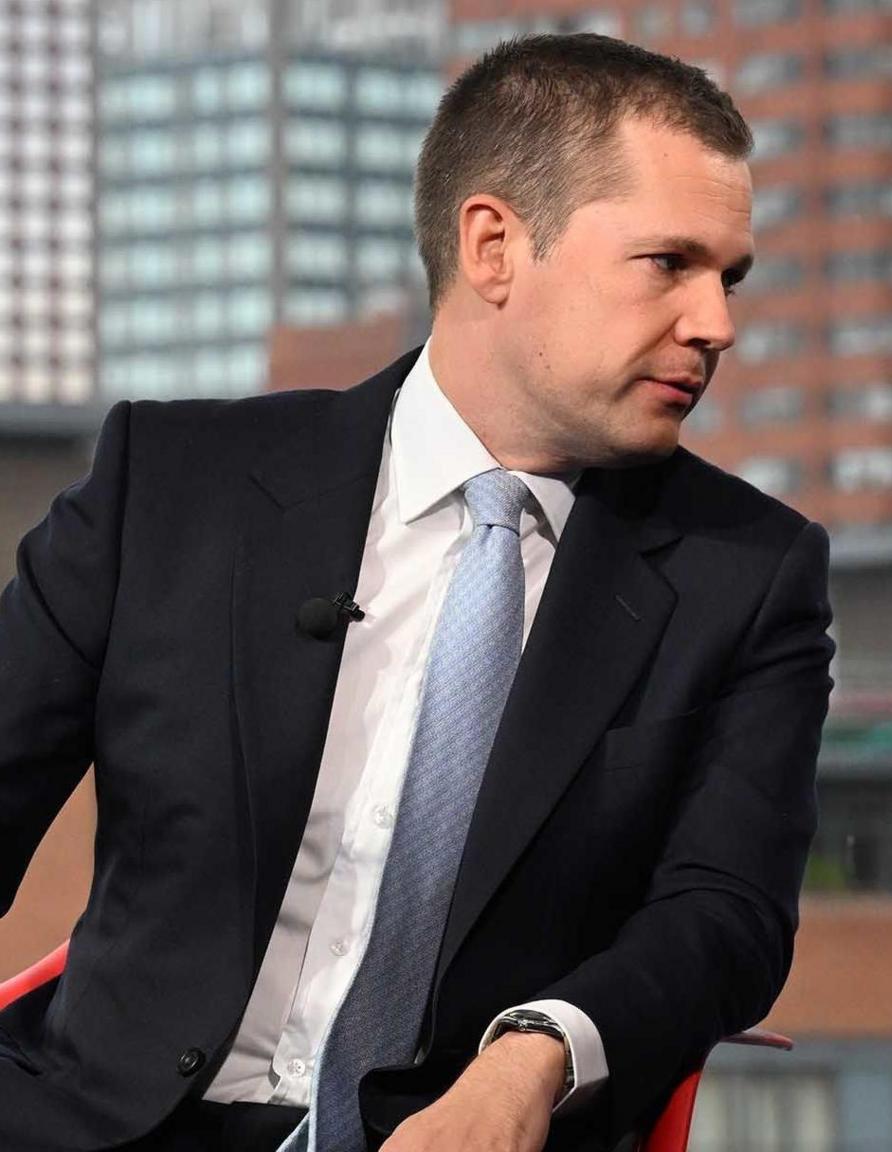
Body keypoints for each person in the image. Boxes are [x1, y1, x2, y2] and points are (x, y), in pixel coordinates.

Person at [0, 34, 832, 1152]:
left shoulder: (749, 571)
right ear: (493, 246)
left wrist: (533, 1057)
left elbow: (725, 916)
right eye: (667, 264)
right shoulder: (174, 488)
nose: (715, 324)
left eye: (727, 278)